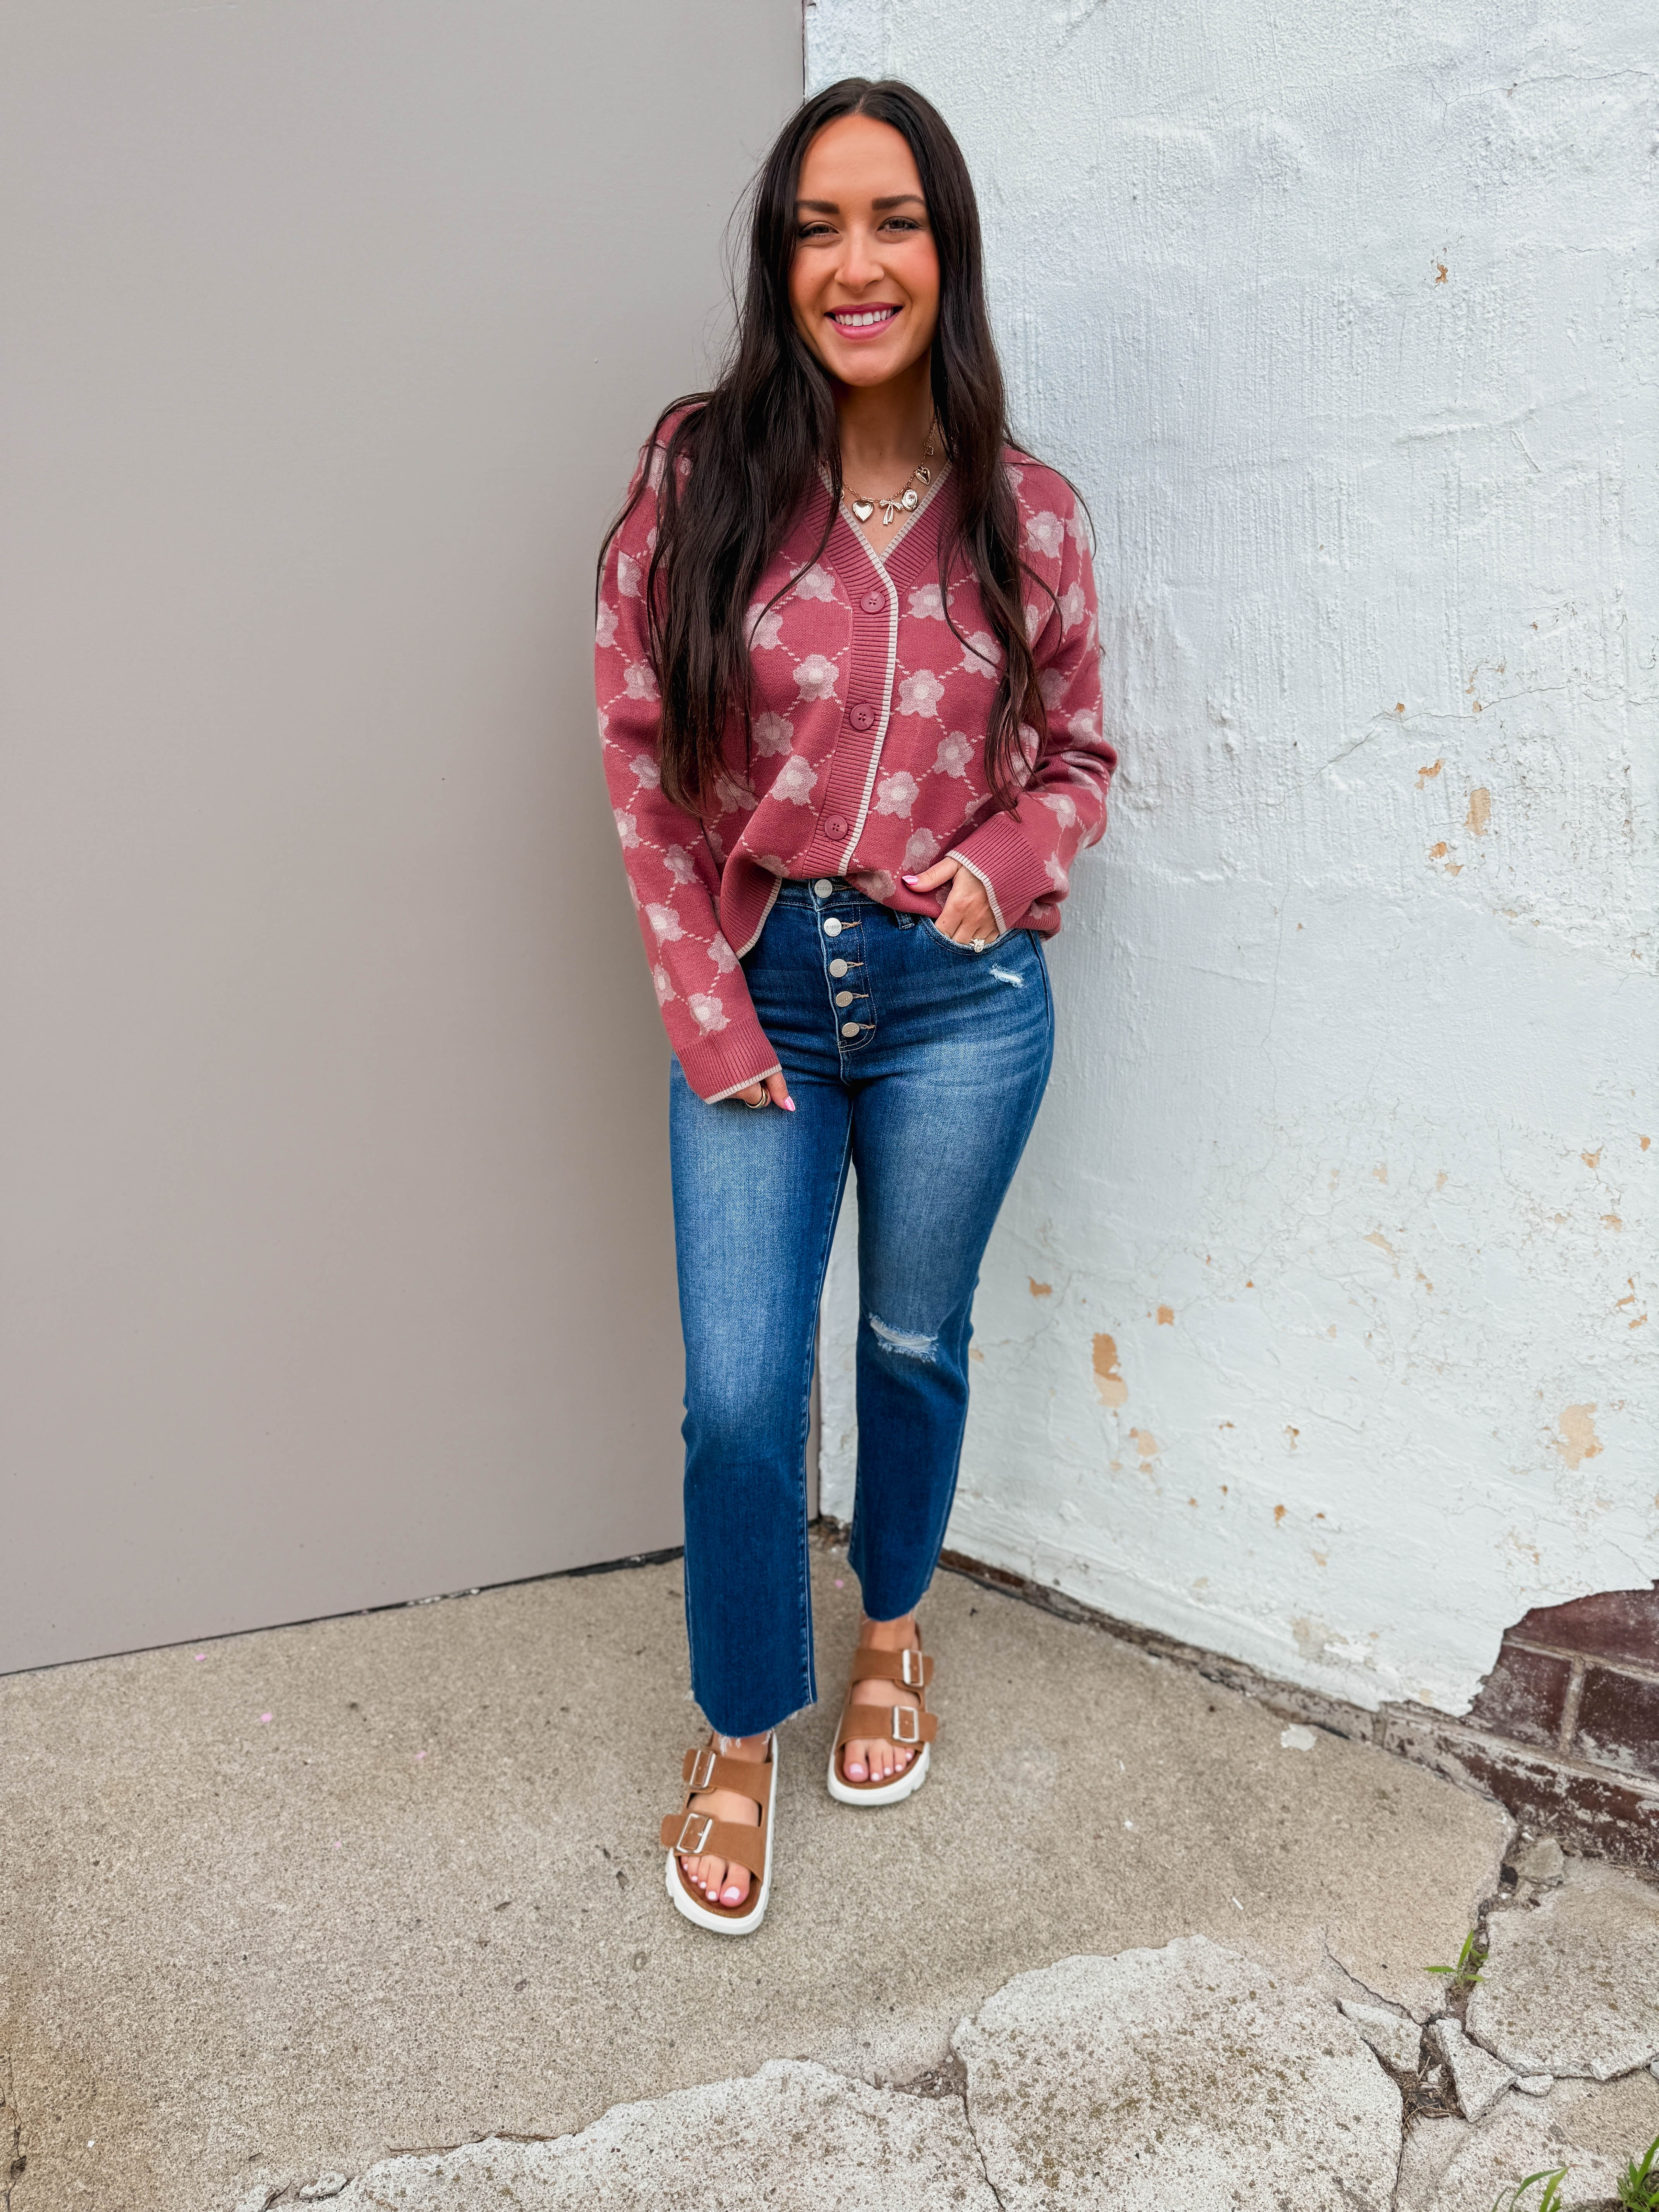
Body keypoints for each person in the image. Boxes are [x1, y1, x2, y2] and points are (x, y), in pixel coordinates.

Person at [594, 77, 1113, 1934]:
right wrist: (708, 1012)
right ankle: (740, 1726)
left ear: (945, 250)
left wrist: (1003, 866)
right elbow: (643, 761)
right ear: (781, 261)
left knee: (910, 1341)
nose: (856, 262)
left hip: (961, 1005)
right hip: (762, 997)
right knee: (742, 1397)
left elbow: (1079, 757)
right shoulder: (700, 479)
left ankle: (893, 1637)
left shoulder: (1028, 516)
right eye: (818, 227)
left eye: (892, 220)